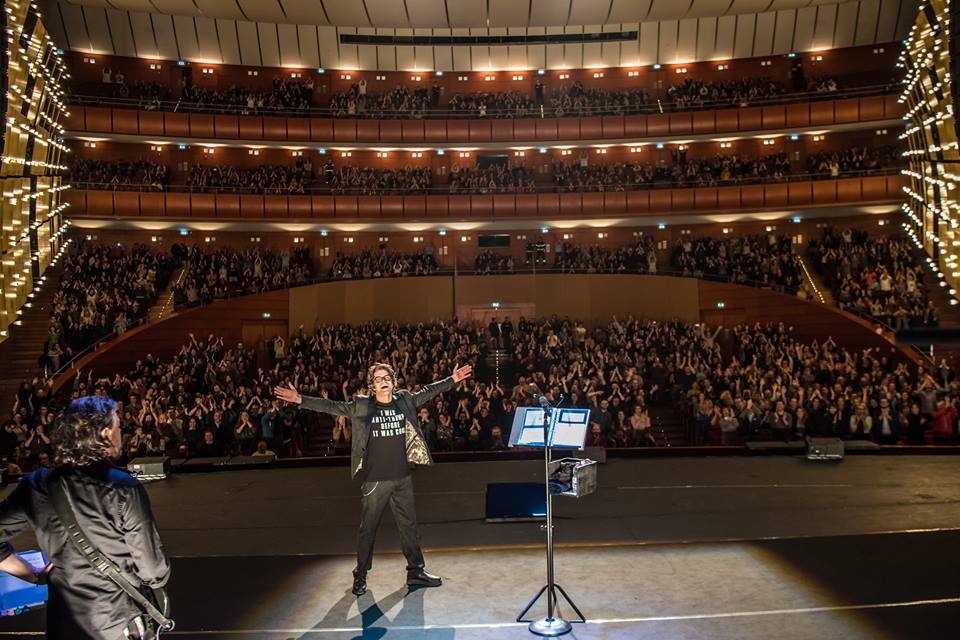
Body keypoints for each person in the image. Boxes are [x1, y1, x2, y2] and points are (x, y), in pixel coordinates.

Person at [275, 361, 472, 597]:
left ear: (393, 381)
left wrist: (452, 380)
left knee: (409, 527)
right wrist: (301, 400)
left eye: (386, 377)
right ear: (373, 385)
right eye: (378, 379)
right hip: (375, 481)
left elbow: (428, 391)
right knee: (368, 530)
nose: (383, 381)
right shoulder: (362, 406)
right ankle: (360, 575)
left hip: (402, 478)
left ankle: (416, 571)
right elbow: (331, 406)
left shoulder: (405, 401)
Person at [0, 396, 171, 639]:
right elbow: (153, 572)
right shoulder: (124, 488)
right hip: (117, 622)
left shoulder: (37, 485)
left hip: (64, 623)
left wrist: (30, 574)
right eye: (118, 427)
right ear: (105, 434)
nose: (122, 433)